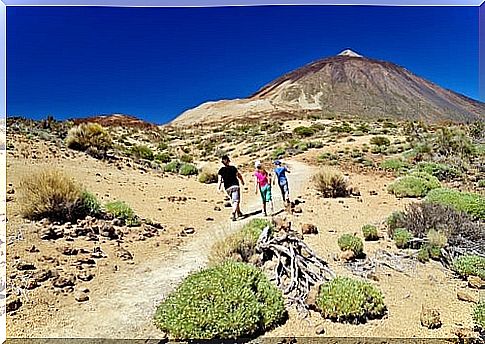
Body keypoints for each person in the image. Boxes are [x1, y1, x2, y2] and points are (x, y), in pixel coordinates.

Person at [217, 155, 245, 221]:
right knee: (236, 201)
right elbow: (239, 175)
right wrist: (242, 181)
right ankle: (233, 213)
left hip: (227, 188)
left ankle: (239, 212)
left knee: (234, 200)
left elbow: (220, 180)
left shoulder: (221, 170)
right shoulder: (233, 168)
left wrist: (218, 188)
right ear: (228, 161)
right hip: (235, 186)